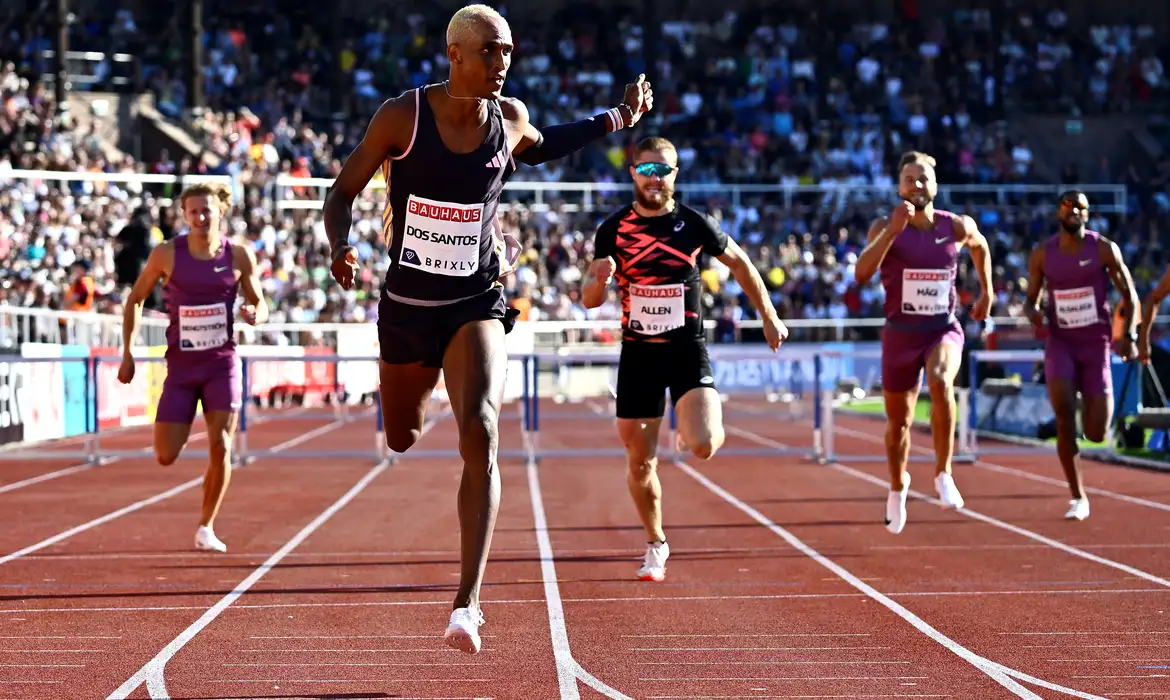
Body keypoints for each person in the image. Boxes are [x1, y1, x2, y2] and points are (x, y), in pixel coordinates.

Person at [323, 3, 653, 654]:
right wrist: (340, 246)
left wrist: (619, 119)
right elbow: (342, 191)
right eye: (491, 52)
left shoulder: (509, 119)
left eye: (508, 52)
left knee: (482, 427)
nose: (503, 64)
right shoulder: (402, 116)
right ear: (456, 55)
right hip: (408, 307)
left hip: (477, 298)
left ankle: (467, 603)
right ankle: (427, 392)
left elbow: (547, 143)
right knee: (401, 435)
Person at [582, 136, 788, 582]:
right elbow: (589, 298)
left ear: (676, 175)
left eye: (665, 170)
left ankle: (687, 424)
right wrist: (600, 280)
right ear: (633, 172)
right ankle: (656, 543)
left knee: (704, 445)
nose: (656, 178)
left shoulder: (695, 224)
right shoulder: (612, 230)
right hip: (638, 354)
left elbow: (742, 265)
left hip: (686, 349)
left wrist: (769, 316)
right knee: (639, 462)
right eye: (648, 169)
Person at [118, 182, 268, 552]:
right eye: (193, 212)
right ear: (184, 216)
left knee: (221, 445)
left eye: (207, 211)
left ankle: (206, 526)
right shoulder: (167, 254)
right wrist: (128, 351)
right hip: (181, 371)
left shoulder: (239, 256)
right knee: (165, 455)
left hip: (222, 365)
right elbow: (135, 299)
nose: (201, 217)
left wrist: (254, 314)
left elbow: (260, 303)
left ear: (221, 211)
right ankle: (207, 490)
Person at [854, 151, 993, 535]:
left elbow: (980, 247)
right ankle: (898, 486)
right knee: (898, 422)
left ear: (935, 185)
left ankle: (943, 472)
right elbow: (862, 274)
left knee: (941, 381)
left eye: (924, 178)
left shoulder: (957, 226)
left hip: (941, 328)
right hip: (900, 334)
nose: (917, 185)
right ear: (899, 186)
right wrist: (892, 232)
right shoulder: (885, 225)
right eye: (909, 179)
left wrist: (987, 292)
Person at [1024, 190, 1139, 521]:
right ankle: (1078, 496)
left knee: (1096, 432)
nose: (1075, 210)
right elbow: (1031, 300)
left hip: (1095, 344)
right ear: (1058, 212)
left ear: (1088, 215)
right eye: (1068, 206)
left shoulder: (1103, 249)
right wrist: (1034, 314)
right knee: (1063, 412)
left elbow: (1129, 295)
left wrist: (1128, 335)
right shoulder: (1043, 255)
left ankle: (1086, 421)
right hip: (1061, 342)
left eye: (1081, 208)